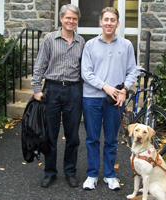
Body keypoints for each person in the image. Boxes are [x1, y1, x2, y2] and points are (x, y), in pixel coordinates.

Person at [81, 7, 137, 191]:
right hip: (92, 98)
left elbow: (132, 71)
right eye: (106, 19)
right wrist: (105, 86)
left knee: (111, 139)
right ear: (101, 22)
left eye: (112, 20)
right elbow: (86, 73)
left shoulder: (126, 45)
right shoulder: (90, 45)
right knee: (92, 138)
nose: (109, 23)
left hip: (115, 101)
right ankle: (92, 174)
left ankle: (110, 175)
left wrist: (125, 89)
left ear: (118, 23)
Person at [31, 4, 85, 188]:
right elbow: (40, 65)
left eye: (74, 19)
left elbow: (84, 70)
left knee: (73, 136)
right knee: (50, 135)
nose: (71, 21)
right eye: (68, 18)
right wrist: (37, 88)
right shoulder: (49, 39)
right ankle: (50, 172)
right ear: (61, 19)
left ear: (77, 21)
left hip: (73, 91)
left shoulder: (81, 42)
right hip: (52, 90)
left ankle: (70, 172)